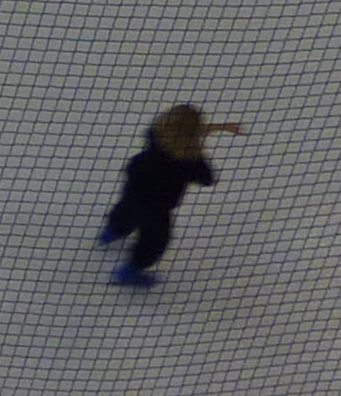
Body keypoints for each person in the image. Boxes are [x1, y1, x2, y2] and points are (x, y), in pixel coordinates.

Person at [100, 104, 244, 285]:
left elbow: (181, 131)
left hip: (137, 181)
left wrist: (220, 127)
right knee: (155, 239)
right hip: (158, 203)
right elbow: (207, 178)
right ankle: (130, 271)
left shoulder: (155, 135)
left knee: (127, 209)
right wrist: (198, 153)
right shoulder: (187, 162)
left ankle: (113, 230)